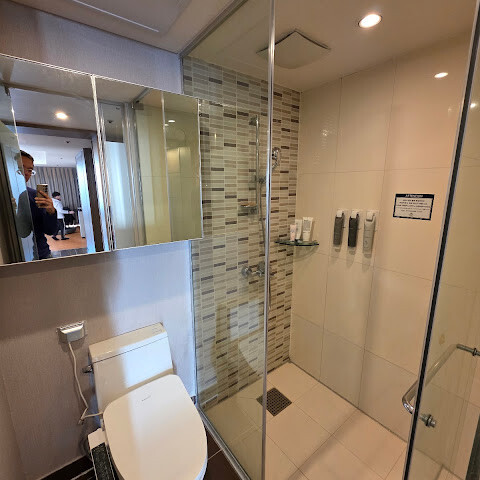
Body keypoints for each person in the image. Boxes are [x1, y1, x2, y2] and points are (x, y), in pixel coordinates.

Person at [16, 150, 57, 259]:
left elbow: (50, 230)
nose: (26, 173)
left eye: (30, 170)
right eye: (20, 168)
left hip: (40, 254)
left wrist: (51, 212)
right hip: (13, 256)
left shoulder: (33, 195)